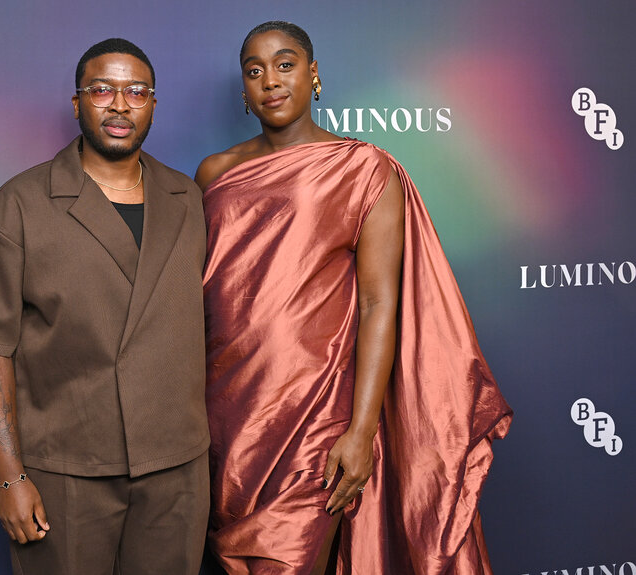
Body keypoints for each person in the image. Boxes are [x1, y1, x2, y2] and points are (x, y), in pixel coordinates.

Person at [195, 21, 512, 575]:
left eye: (285, 64)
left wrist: (361, 430)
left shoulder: (364, 169)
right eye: (254, 70)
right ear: (244, 91)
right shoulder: (214, 173)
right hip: (225, 409)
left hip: (315, 411)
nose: (270, 80)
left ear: (313, 75)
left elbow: (378, 305)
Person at [0, 38, 209, 575]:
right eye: (102, 90)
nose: (120, 105)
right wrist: (11, 478)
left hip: (177, 467)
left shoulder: (187, 198)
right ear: (77, 101)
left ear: (153, 103)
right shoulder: (18, 206)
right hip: (65, 471)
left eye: (137, 91)